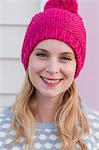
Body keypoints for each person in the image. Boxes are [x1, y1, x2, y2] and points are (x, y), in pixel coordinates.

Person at [0, 0, 99, 149]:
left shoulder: (94, 129)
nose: (53, 69)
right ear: (28, 59)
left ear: (76, 66)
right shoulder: (3, 126)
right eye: (42, 55)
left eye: (65, 58)